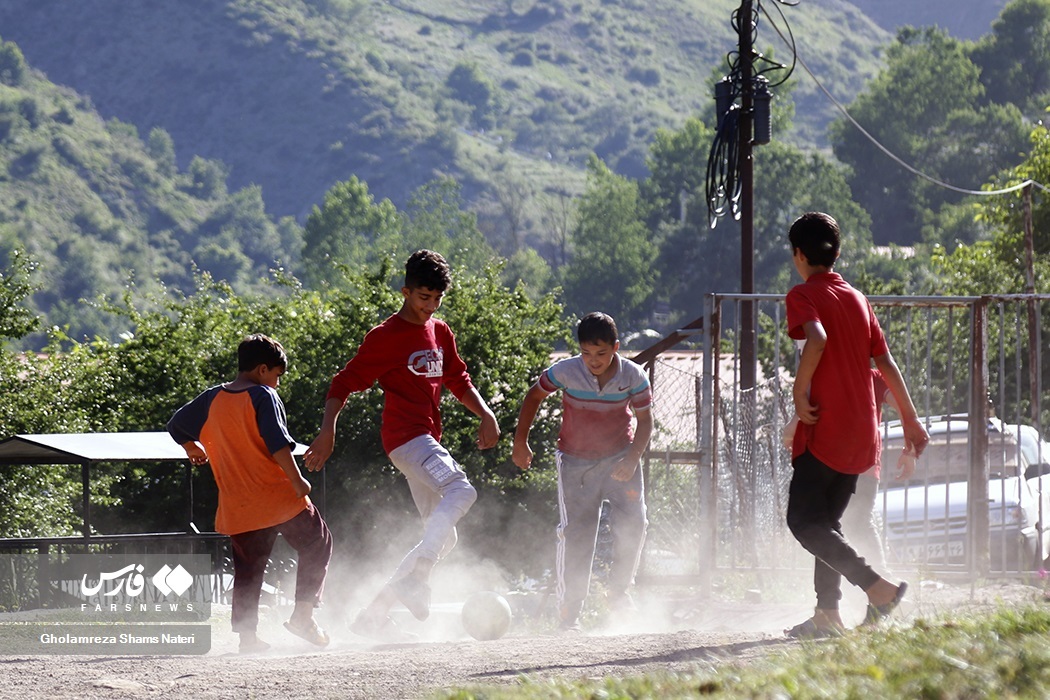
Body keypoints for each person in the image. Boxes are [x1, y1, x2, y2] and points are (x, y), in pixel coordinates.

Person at [303, 249, 500, 641]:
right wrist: (328, 430)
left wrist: (486, 413)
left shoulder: (440, 332)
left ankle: (374, 614)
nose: (430, 306)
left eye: (437, 299)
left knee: (444, 535)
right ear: (406, 291)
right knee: (461, 489)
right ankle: (419, 577)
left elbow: (458, 379)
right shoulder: (385, 337)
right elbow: (342, 384)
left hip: (426, 441)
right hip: (407, 440)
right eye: (423, 297)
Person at [783, 212, 928, 639]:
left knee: (804, 523)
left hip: (826, 429)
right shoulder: (858, 298)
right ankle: (827, 614)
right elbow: (885, 363)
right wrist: (912, 421)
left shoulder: (804, 294)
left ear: (798, 254)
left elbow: (818, 338)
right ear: (838, 253)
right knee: (826, 523)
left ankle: (877, 589)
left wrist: (800, 390)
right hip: (863, 434)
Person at [167, 334, 333, 653]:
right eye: (277, 375)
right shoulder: (262, 395)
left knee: (248, 569)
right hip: (279, 497)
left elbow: (176, 425)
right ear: (261, 370)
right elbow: (277, 444)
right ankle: (302, 616)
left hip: (238, 504)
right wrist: (298, 481)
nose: (277, 384)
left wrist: (191, 447)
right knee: (317, 543)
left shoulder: (211, 398)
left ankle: (248, 638)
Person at [512, 312, 653, 634]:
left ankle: (619, 594)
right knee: (577, 535)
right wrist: (521, 442)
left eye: (602, 353)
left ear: (616, 347)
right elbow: (534, 396)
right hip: (576, 464)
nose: (594, 361)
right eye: (587, 353)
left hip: (620, 459)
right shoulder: (565, 371)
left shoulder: (633, 376)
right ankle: (569, 616)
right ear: (579, 349)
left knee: (635, 522)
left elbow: (645, 421)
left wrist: (632, 459)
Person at [783, 367, 905, 571]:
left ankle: (877, 581)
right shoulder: (873, 377)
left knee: (831, 526)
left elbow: (802, 418)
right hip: (864, 465)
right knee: (851, 525)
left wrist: (790, 431)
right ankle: (875, 581)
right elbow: (902, 405)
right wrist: (909, 440)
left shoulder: (832, 375)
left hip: (837, 465)